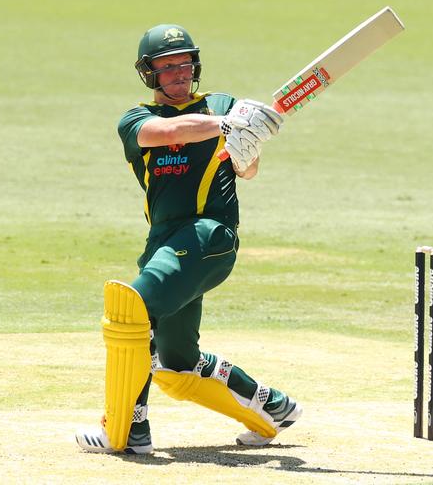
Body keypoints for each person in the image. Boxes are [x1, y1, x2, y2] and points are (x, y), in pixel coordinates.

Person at [76, 24, 301, 455]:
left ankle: (125, 430)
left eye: (184, 63)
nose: (179, 72)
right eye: (167, 66)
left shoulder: (222, 105)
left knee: (133, 312)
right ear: (149, 73)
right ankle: (273, 407)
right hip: (165, 242)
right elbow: (170, 134)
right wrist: (226, 124)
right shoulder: (136, 121)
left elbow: (246, 171)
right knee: (177, 360)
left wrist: (247, 147)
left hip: (208, 235)